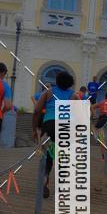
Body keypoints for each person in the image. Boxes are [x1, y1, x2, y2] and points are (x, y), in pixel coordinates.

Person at [32, 70, 75, 198]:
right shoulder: (74, 95)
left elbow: (36, 110)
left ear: (56, 81)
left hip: (49, 125)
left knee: (47, 157)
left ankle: (45, 182)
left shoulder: (48, 92)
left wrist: (34, 129)